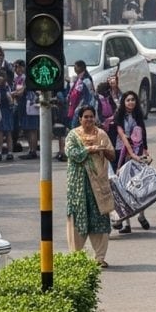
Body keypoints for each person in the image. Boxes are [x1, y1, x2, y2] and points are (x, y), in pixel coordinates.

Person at [65, 105, 116, 267]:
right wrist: (89, 149)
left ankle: (100, 258)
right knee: (77, 219)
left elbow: (112, 155)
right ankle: (76, 258)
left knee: (100, 219)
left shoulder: (101, 134)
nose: (89, 119)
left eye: (91, 116)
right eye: (85, 117)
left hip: (98, 185)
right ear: (80, 119)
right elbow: (72, 153)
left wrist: (103, 150)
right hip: (78, 186)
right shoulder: (73, 136)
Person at [110, 91, 152, 233]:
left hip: (137, 154)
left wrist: (145, 152)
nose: (131, 102)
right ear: (123, 102)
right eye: (128, 100)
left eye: (133, 100)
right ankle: (127, 223)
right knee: (123, 187)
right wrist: (132, 154)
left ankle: (141, 215)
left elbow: (143, 134)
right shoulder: (119, 116)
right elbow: (123, 137)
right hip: (121, 154)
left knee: (140, 185)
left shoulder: (138, 116)